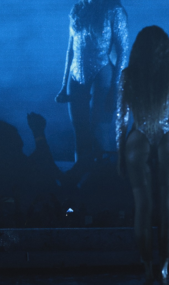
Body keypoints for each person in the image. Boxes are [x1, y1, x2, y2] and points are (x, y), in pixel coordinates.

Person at [116, 26, 169, 284]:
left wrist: (119, 155)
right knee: (166, 208)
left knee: (143, 208)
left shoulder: (129, 75)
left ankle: (148, 267)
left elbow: (121, 119)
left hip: (138, 138)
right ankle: (164, 268)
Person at [55, 0, 128, 171]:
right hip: (76, 75)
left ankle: (104, 181)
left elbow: (122, 50)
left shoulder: (114, 10)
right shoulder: (78, 9)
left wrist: (116, 87)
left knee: (99, 132)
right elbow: (71, 49)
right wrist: (63, 84)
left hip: (102, 72)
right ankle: (81, 183)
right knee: (80, 133)